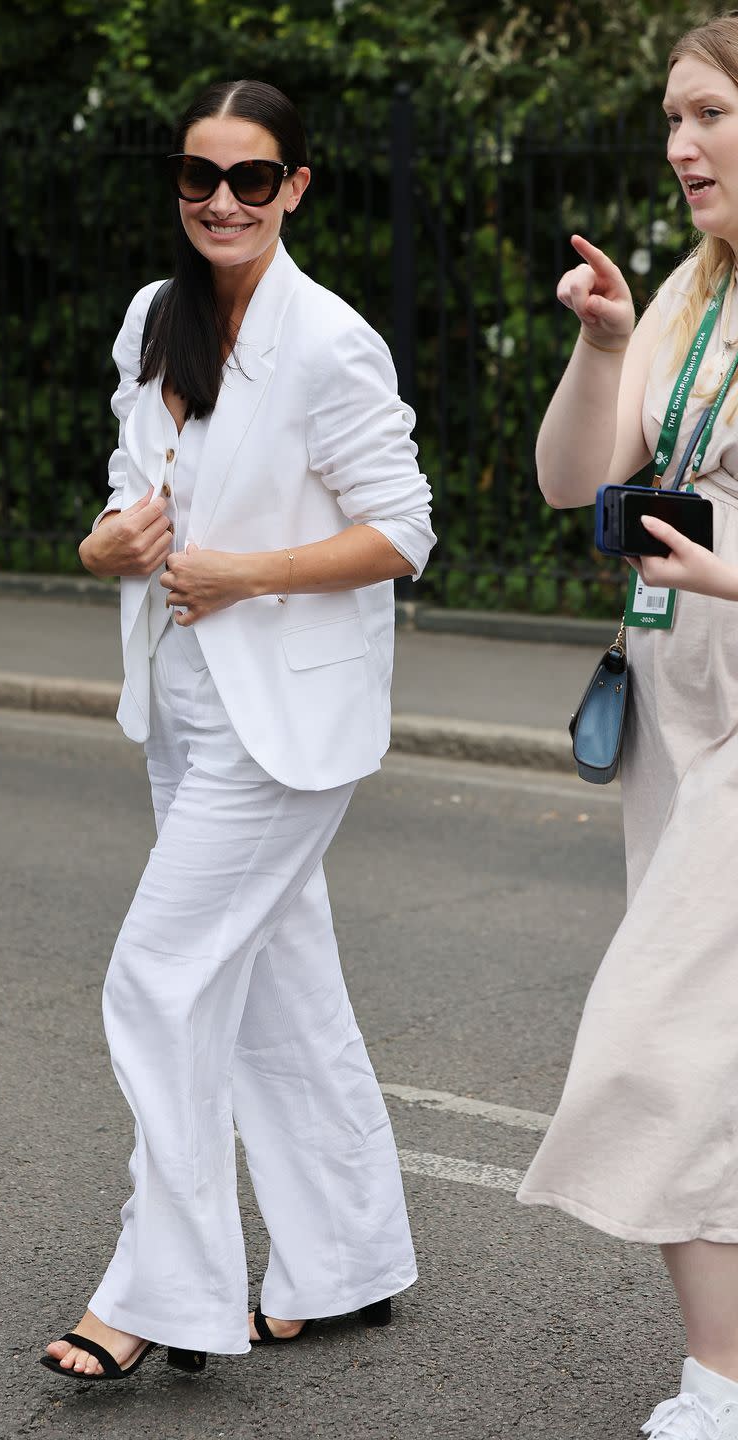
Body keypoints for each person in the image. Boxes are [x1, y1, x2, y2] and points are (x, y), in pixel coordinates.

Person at [40, 78, 435, 1382]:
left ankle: (159, 1294)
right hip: (184, 705)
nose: (222, 201)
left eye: (252, 179)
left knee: (158, 983)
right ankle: (350, 1260)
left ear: (296, 189)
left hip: (288, 727)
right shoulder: (156, 320)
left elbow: (404, 531)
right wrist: (108, 546)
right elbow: (126, 497)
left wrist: (246, 572)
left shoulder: (330, 341)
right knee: (277, 986)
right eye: (199, 176)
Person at [517, 15, 738, 1438]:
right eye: (671, 117)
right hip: (678, 712)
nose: (678, 145)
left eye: (711, 114)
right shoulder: (686, 290)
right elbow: (565, 481)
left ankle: (720, 1391)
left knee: (659, 1036)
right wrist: (605, 347)